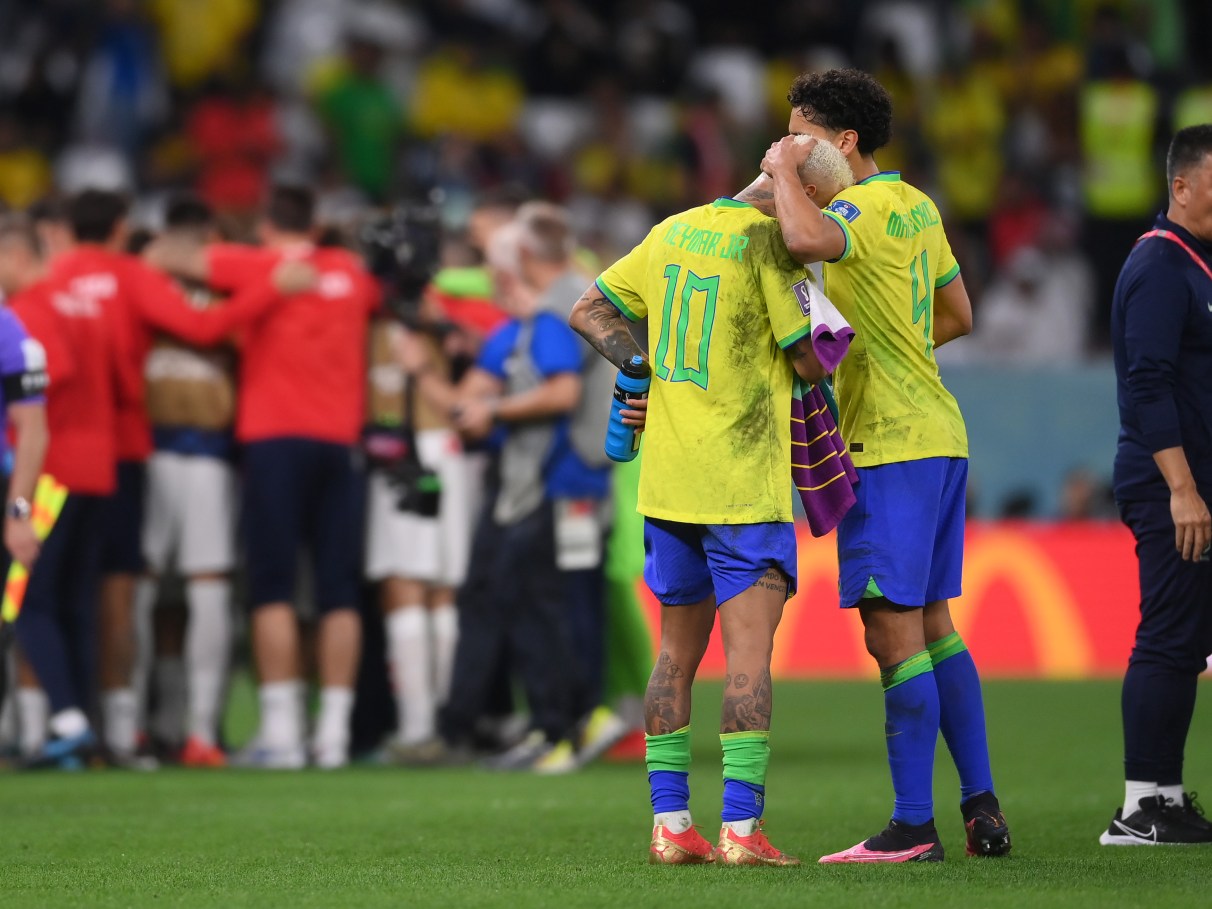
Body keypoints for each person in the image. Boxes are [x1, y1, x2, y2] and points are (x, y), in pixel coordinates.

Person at [568, 140, 854, 865]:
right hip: (740, 485)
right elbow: (806, 355)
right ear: (810, 198)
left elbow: (589, 305)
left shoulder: (672, 229)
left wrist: (636, 366)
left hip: (667, 483)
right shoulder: (772, 247)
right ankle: (739, 830)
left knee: (673, 656)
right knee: (748, 661)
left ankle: (670, 826)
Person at [760, 68, 1010, 863]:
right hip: (941, 434)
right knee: (936, 623)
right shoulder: (918, 204)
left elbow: (801, 240)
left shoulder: (853, 208)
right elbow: (959, 315)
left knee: (890, 629)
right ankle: (981, 809)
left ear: (843, 143)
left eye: (801, 134)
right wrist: (895, 351)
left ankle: (911, 826)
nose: (791, 147)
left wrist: (773, 172)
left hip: (888, 446)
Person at [149, 184, 381, 769]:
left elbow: (163, 257)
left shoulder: (258, 263)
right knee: (338, 591)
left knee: (273, 587)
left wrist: (258, 277)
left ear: (266, 225)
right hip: (341, 443)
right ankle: (331, 734)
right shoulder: (352, 273)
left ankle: (281, 732)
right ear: (317, 222)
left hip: (274, 439)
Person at [399, 217, 604, 773]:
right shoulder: (524, 327)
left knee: (546, 605)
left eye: (497, 270)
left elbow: (560, 395)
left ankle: (567, 723)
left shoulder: (551, 320)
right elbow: (472, 406)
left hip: (550, 482)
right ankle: (562, 722)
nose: (492, 281)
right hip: (543, 482)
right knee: (540, 603)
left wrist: (485, 406)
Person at [1103, 123, 1212, 845]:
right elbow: (1147, 385)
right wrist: (1181, 487)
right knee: (1170, 638)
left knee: (1188, 640)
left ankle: (1164, 797)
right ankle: (1141, 805)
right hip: (1173, 488)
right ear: (1180, 186)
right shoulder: (1158, 266)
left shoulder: (1195, 266)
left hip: (1195, 486)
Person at [0, 214, 124, 767]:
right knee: (74, 601)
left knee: (28, 600)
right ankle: (83, 724)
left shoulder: (28, 312)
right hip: (96, 464)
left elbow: (53, 378)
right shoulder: (81, 302)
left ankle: (68, 722)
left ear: (15, 256)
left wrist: (19, 504)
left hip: (51, 472)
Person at [137, 194, 240, 768]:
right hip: (152, 447)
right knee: (153, 593)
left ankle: (200, 728)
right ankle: (155, 723)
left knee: (200, 588)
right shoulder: (137, 278)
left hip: (206, 449)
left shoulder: (232, 284)